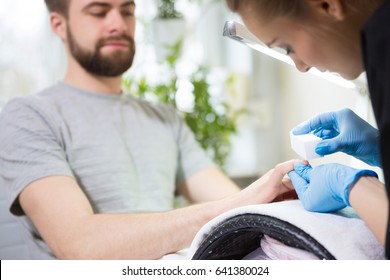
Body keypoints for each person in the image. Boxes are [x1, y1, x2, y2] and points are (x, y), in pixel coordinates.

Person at [0, 0, 299, 260]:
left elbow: (234, 202)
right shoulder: (29, 115)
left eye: (127, 11)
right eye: (99, 12)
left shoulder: (165, 119)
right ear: (59, 25)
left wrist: (280, 195)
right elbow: (80, 245)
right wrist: (238, 204)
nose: (118, 24)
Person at [225, 0, 390, 259]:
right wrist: (381, 150)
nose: (301, 67)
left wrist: (354, 186)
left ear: (326, 5)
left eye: (287, 47)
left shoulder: (384, 42)